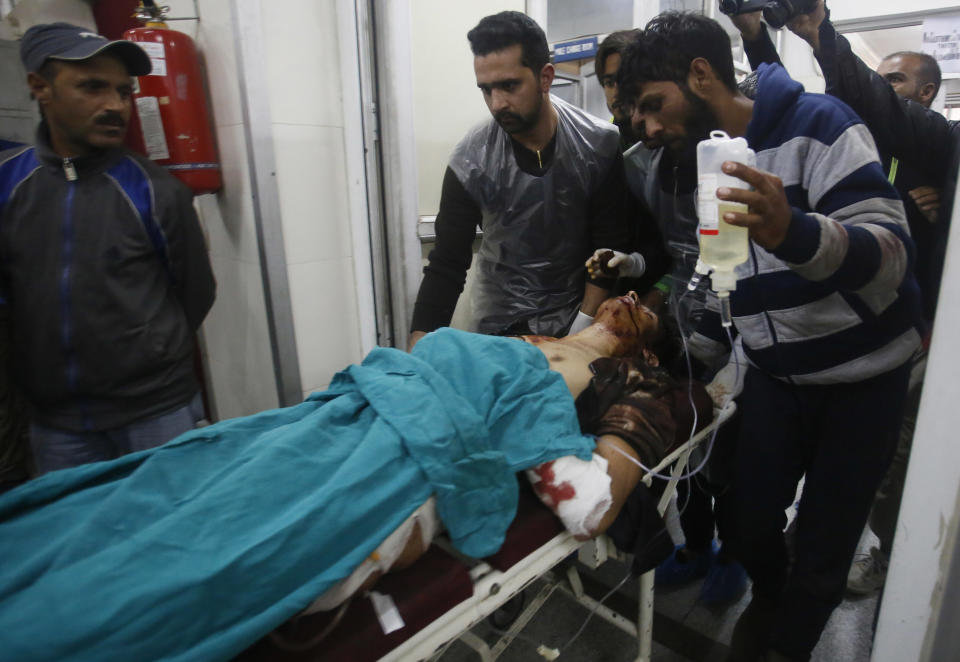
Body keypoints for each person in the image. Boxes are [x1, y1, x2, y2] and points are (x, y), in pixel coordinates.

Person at [0, 292, 704, 662]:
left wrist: (622, 416)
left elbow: (591, 508)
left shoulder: (621, 383)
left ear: (648, 343)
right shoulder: (545, 337)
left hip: (391, 467)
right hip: (339, 417)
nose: (627, 297)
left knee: (195, 551)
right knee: (173, 477)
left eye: (640, 306)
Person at [619, 12, 922, 661]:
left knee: (824, 548)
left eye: (653, 105)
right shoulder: (713, 157)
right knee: (751, 523)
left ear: (701, 75)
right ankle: (776, 598)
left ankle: (786, 640)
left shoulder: (822, 123)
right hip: (779, 378)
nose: (645, 127)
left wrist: (796, 232)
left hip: (864, 380)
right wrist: (682, 367)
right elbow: (718, 267)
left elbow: (894, 255)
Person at [731, 0, 953, 598]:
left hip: (906, 331)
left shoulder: (932, 136)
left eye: (897, 79)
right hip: (817, 346)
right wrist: (757, 34)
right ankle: (806, 555)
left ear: (927, 92)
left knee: (880, 476)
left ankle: (880, 555)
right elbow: (786, 107)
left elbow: (864, 98)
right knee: (777, 499)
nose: (880, 90)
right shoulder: (855, 132)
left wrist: (821, 31)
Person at [0, 23, 216, 474]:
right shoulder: (10, 184)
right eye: (92, 87)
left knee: (172, 529)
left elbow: (195, 293)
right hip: (57, 423)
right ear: (40, 86)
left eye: (123, 91)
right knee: (80, 537)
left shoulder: (157, 192)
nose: (116, 106)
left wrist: (147, 352)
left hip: (156, 412)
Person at [408, 11, 632, 348]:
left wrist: (579, 334)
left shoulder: (597, 145)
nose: (497, 104)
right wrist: (419, 347)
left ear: (545, 77)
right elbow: (447, 264)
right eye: (486, 90)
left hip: (581, 315)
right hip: (500, 326)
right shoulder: (471, 160)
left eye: (509, 86)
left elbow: (607, 249)